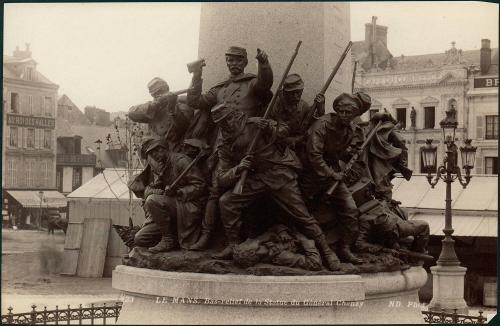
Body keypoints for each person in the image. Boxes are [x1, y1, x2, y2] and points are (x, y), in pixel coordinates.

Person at [210, 103, 342, 271]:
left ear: (235, 115)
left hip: (280, 173)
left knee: (302, 215)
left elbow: (285, 131)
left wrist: (271, 129)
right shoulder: (224, 143)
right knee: (226, 201)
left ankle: (327, 251)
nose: (227, 124)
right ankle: (233, 245)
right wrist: (239, 168)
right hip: (256, 177)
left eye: (228, 118)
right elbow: (222, 177)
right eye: (221, 122)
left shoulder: (255, 123)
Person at [300, 92, 372, 265]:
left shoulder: (351, 129)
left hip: (331, 175)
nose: (346, 116)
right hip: (310, 175)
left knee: (350, 209)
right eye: (343, 112)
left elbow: (337, 153)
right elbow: (314, 156)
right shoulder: (322, 124)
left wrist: (351, 154)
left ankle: (345, 248)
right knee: (304, 214)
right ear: (337, 111)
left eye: (350, 113)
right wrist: (333, 174)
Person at [130, 137, 206, 252]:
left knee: (152, 200)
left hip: (186, 207)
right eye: (151, 154)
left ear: (163, 149)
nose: (154, 156)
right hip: (171, 210)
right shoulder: (162, 165)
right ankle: (173, 236)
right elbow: (152, 189)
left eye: (156, 151)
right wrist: (159, 181)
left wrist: (179, 192)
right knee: (140, 238)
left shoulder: (181, 161)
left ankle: (168, 239)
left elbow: (201, 186)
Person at [187, 46, 273, 118]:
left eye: (239, 60)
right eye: (231, 60)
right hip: (222, 135)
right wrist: (197, 75)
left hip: (247, 132)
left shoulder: (252, 82)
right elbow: (195, 102)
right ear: (227, 63)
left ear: (245, 63)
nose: (234, 63)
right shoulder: (219, 88)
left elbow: (265, 84)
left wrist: (264, 64)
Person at [128, 77, 193, 151]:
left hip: (178, 151)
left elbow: (184, 126)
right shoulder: (153, 109)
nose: (158, 95)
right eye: (155, 94)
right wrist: (155, 105)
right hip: (157, 151)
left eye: (160, 92)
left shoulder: (181, 102)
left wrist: (172, 108)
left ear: (167, 89)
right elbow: (131, 113)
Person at [269, 73, 325, 153]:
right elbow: (269, 128)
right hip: (276, 147)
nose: (296, 96)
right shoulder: (275, 104)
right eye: (292, 93)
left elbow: (317, 128)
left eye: (299, 92)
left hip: (296, 147)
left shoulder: (303, 106)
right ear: (285, 93)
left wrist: (321, 109)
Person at [233, 224, 323, 271]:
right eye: (246, 244)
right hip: (316, 237)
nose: (248, 241)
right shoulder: (282, 257)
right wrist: (304, 240)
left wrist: (281, 231)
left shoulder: (262, 243)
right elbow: (315, 264)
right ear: (252, 252)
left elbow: (273, 227)